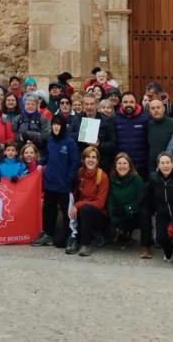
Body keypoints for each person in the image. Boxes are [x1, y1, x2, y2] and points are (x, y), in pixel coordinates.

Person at [32, 114, 79, 247]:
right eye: (54, 124)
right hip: (50, 183)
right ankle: (47, 234)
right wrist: (41, 162)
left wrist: (69, 178)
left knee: (66, 212)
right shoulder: (51, 140)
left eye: (58, 124)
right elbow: (49, 155)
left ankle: (71, 236)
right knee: (48, 210)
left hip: (64, 185)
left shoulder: (70, 142)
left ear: (63, 126)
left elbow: (75, 162)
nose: (56, 127)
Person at [107, 152, 152, 259]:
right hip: (120, 215)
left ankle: (145, 246)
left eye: (125, 163)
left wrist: (128, 208)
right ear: (115, 166)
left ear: (130, 166)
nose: (122, 166)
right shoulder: (112, 180)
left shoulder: (137, 179)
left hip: (135, 214)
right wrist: (115, 219)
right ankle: (122, 234)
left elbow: (142, 200)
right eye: (119, 163)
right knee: (110, 231)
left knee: (145, 214)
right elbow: (110, 202)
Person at [68, 146, 109, 257]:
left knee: (86, 210)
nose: (91, 160)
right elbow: (77, 193)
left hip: (98, 214)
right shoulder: (80, 173)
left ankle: (86, 245)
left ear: (97, 160)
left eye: (93, 157)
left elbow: (100, 203)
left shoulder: (103, 176)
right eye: (88, 157)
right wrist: (72, 206)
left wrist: (78, 205)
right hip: (82, 211)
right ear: (83, 159)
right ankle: (92, 235)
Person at [72, 93, 117, 172]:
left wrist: (99, 145)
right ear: (83, 105)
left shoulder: (106, 121)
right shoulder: (77, 119)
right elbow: (69, 136)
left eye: (92, 104)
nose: (89, 107)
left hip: (102, 164)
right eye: (87, 104)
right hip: (81, 164)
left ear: (96, 105)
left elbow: (113, 144)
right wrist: (82, 135)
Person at [113, 92, 150, 178]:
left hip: (141, 166)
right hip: (121, 166)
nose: (128, 104)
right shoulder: (115, 119)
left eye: (131, 102)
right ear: (121, 103)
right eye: (125, 102)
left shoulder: (145, 118)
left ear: (136, 103)